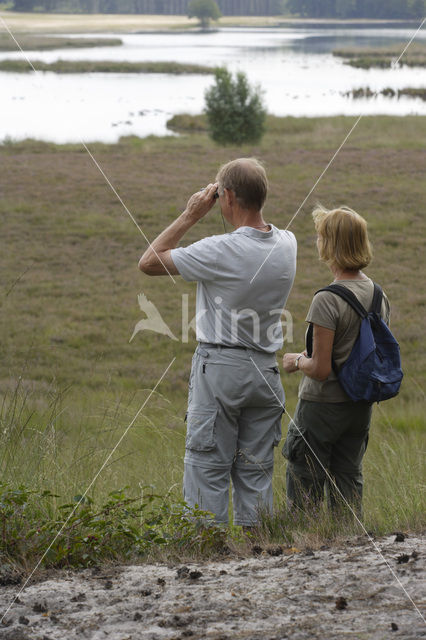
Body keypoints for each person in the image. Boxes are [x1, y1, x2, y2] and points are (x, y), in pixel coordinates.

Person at [139, 158, 297, 527]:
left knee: (207, 468)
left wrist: (190, 214)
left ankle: (204, 560)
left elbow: (149, 261)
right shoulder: (288, 243)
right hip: (266, 372)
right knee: (256, 473)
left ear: (225, 197)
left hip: (221, 369)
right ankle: (260, 554)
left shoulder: (219, 249)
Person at [282, 204, 390, 516]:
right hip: (359, 406)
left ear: (330, 245)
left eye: (320, 236)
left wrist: (296, 362)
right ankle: (349, 550)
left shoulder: (326, 299)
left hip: (321, 407)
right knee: (348, 480)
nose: (317, 242)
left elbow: (321, 368)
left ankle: (302, 551)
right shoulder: (379, 296)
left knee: (305, 483)